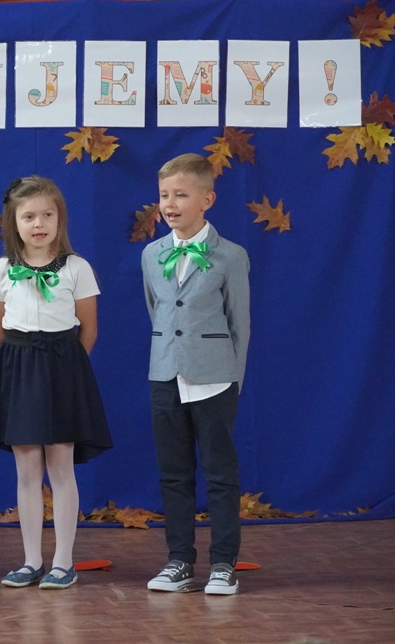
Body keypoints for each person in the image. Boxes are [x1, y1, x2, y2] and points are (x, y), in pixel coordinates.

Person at [0, 176, 112, 590]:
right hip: (20, 367)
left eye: (47, 215)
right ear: (13, 222)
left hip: (62, 367)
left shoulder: (76, 268)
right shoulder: (1, 269)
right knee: (26, 469)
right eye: (29, 216)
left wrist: (64, 368)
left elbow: (88, 329)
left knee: (60, 464)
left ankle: (63, 562)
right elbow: (1, 329)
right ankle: (31, 560)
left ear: (60, 219)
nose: (39, 224)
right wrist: (24, 364)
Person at [141, 153, 250, 596]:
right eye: (164, 195)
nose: (170, 204)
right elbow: (157, 309)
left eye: (181, 195)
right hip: (165, 373)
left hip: (214, 378)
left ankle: (223, 563)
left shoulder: (230, 255)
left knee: (220, 474)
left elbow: (240, 324)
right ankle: (179, 561)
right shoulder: (152, 254)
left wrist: (233, 381)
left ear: (207, 199)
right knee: (174, 473)